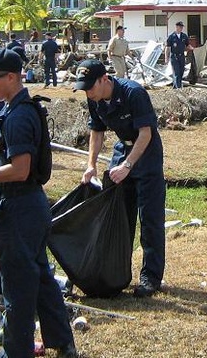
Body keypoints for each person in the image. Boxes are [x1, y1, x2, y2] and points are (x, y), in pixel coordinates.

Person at [0, 48, 77, 358]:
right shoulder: (17, 109)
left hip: (20, 205)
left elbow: (19, 170)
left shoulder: (18, 116)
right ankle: (61, 341)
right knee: (41, 277)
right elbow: (14, 159)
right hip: (30, 205)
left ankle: (15, 352)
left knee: (17, 286)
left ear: (11, 77)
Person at [73, 59, 166, 298]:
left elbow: (146, 134)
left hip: (145, 154)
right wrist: (91, 165)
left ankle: (150, 277)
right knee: (119, 218)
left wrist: (128, 165)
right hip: (122, 151)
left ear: (105, 79)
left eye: (90, 87)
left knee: (150, 219)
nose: (87, 93)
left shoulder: (133, 93)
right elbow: (97, 131)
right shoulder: (94, 98)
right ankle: (117, 273)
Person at [164, 21, 189, 88]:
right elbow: (168, 48)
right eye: (179, 27)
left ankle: (175, 87)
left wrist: (194, 49)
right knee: (177, 73)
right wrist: (166, 58)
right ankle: (179, 88)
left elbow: (187, 45)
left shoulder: (184, 36)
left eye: (182, 27)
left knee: (181, 72)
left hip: (182, 56)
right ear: (177, 27)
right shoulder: (171, 37)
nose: (181, 28)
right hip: (174, 57)